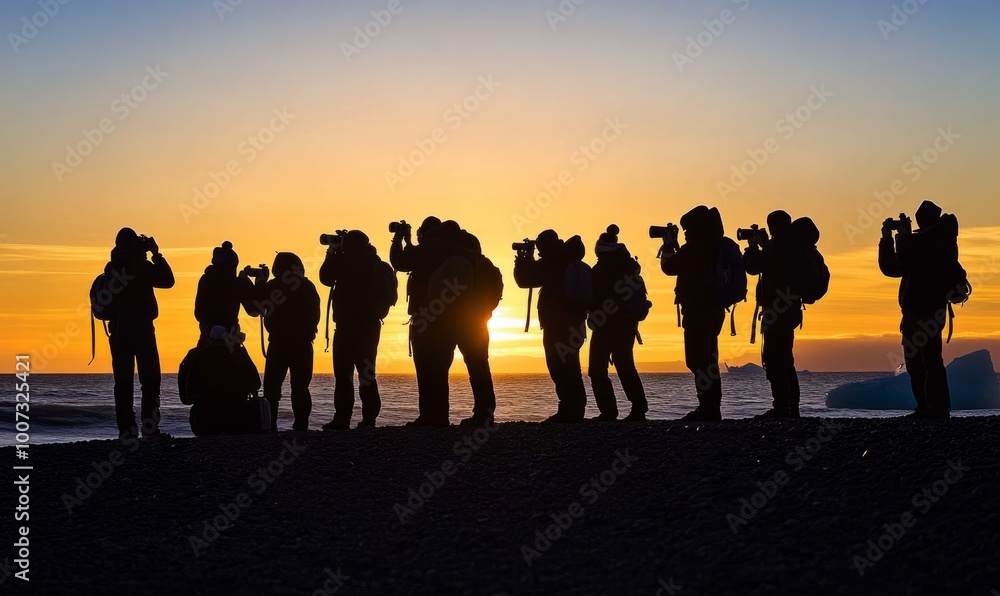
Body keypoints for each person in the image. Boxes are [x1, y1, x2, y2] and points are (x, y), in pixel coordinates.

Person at [660, 206, 743, 422]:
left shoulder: (696, 248)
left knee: (698, 361)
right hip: (715, 310)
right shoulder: (716, 246)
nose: (685, 233)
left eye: (687, 229)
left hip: (698, 310)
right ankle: (712, 408)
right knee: (710, 359)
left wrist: (669, 246)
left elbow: (669, 267)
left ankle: (707, 409)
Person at [879, 200, 959, 419]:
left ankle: (939, 408)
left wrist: (903, 236)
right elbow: (893, 268)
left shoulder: (939, 239)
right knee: (915, 363)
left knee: (930, 360)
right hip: (913, 311)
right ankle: (925, 407)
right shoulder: (920, 242)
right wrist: (886, 241)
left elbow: (906, 261)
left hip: (930, 309)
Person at [391, 218, 471, 427]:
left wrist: (398, 239)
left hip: (425, 319)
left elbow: (398, 262)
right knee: (440, 369)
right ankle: (440, 417)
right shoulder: (453, 249)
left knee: (426, 369)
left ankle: (429, 417)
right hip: (451, 321)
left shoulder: (426, 250)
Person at [101, 228, 175, 439]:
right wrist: (156, 254)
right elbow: (168, 281)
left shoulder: (112, 267)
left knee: (123, 383)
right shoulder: (141, 266)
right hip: (142, 329)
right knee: (150, 380)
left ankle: (127, 431)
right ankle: (150, 429)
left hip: (118, 332)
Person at [514, 230, 591, 423]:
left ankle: (568, 411)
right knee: (571, 366)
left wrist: (522, 260)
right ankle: (575, 410)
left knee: (559, 366)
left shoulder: (552, 262)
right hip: (576, 323)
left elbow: (525, 280)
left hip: (557, 325)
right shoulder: (564, 260)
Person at [321, 231, 396, 429]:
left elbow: (325, 277)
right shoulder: (373, 262)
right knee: (367, 373)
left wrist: (332, 251)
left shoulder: (344, 261)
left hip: (346, 326)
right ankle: (369, 419)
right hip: (370, 327)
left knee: (343, 375)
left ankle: (342, 419)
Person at [743, 211, 802, 419]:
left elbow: (752, 267)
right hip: (791, 311)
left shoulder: (776, 247)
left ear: (772, 227)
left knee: (773, 360)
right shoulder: (793, 247)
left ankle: (781, 408)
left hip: (776, 313)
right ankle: (792, 409)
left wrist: (751, 249)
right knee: (786, 360)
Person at [588, 225, 649, 422]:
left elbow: (594, 298)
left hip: (606, 324)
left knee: (597, 369)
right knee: (625, 365)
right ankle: (639, 408)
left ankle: (609, 412)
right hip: (628, 324)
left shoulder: (601, 269)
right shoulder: (628, 266)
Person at [257, 252, 321, 431]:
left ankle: (271, 425)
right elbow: (315, 314)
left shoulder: (274, 285)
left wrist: (261, 281)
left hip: (278, 342)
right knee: (300, 386)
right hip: (303, 343)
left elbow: (258, 305)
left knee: (272, 388)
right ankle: (301, 424)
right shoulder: (308, 286)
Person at [454, 228, 502, 426]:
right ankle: (485, 413)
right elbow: (496, 294)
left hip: (464, 322)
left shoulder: (462, 264)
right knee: (480, 367)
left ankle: (482, 414)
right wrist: (485, 312)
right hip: (481, 322)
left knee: (476, 368)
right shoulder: (489, 266)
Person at [194, 241, 261, 340]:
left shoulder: (205, 279)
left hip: (207, 337)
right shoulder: (237, 283)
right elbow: (254, 311)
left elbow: (198, 314)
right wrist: (248, 283)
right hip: (229, 339)